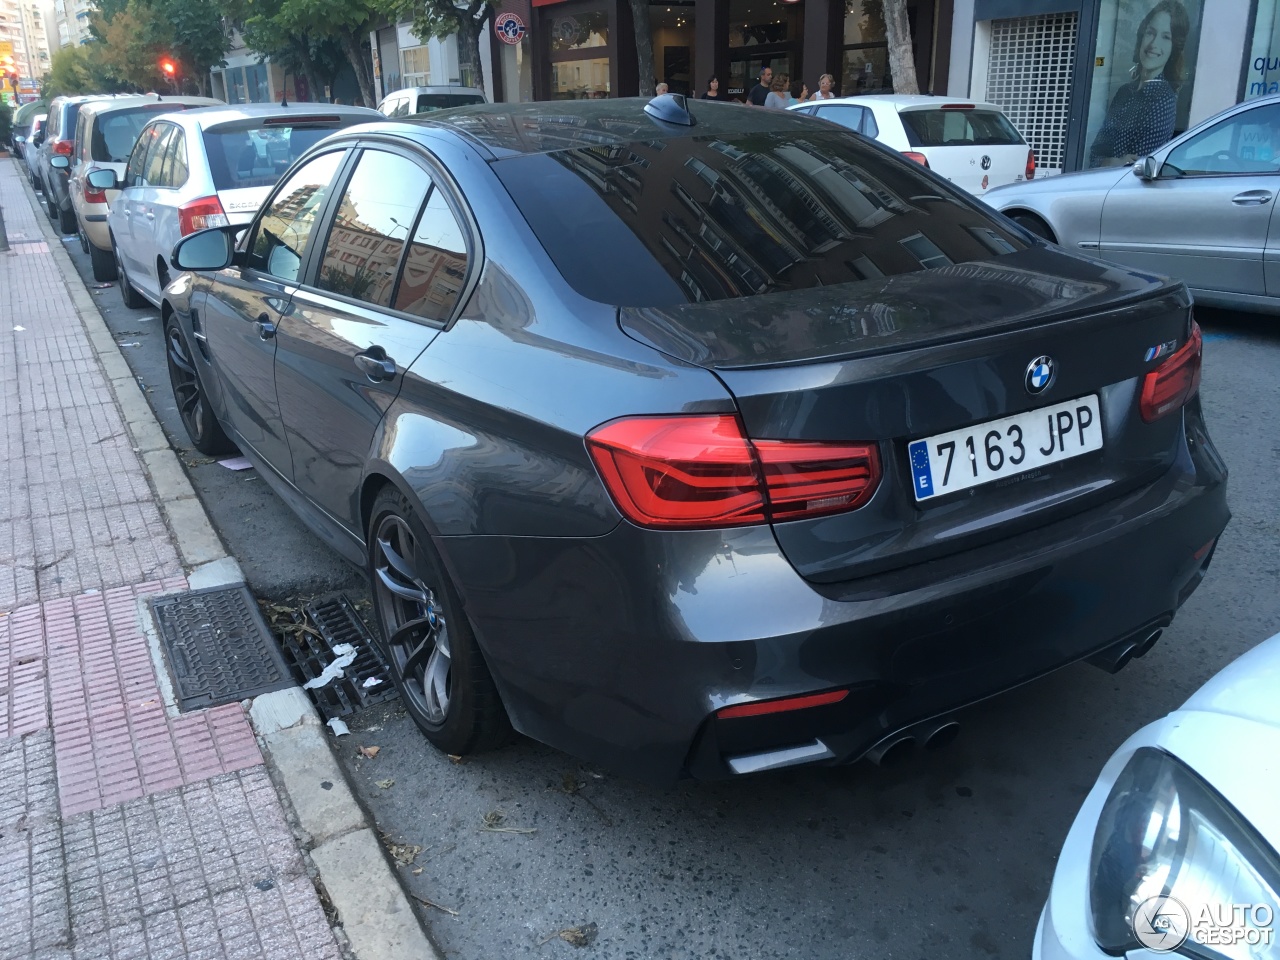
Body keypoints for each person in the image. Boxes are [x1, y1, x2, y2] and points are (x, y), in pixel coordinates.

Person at [1089, 0, 1190, 167]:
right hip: (1103, 186)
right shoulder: (1124, 92)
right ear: (1141, 36)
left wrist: (1109, 163)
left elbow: (1139, 167)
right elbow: (1095, 154)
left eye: (1166, 37)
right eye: (1150, 33)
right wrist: (1111, 162)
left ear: (1174, 47)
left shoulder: (1163, 99)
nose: (1153, 44)